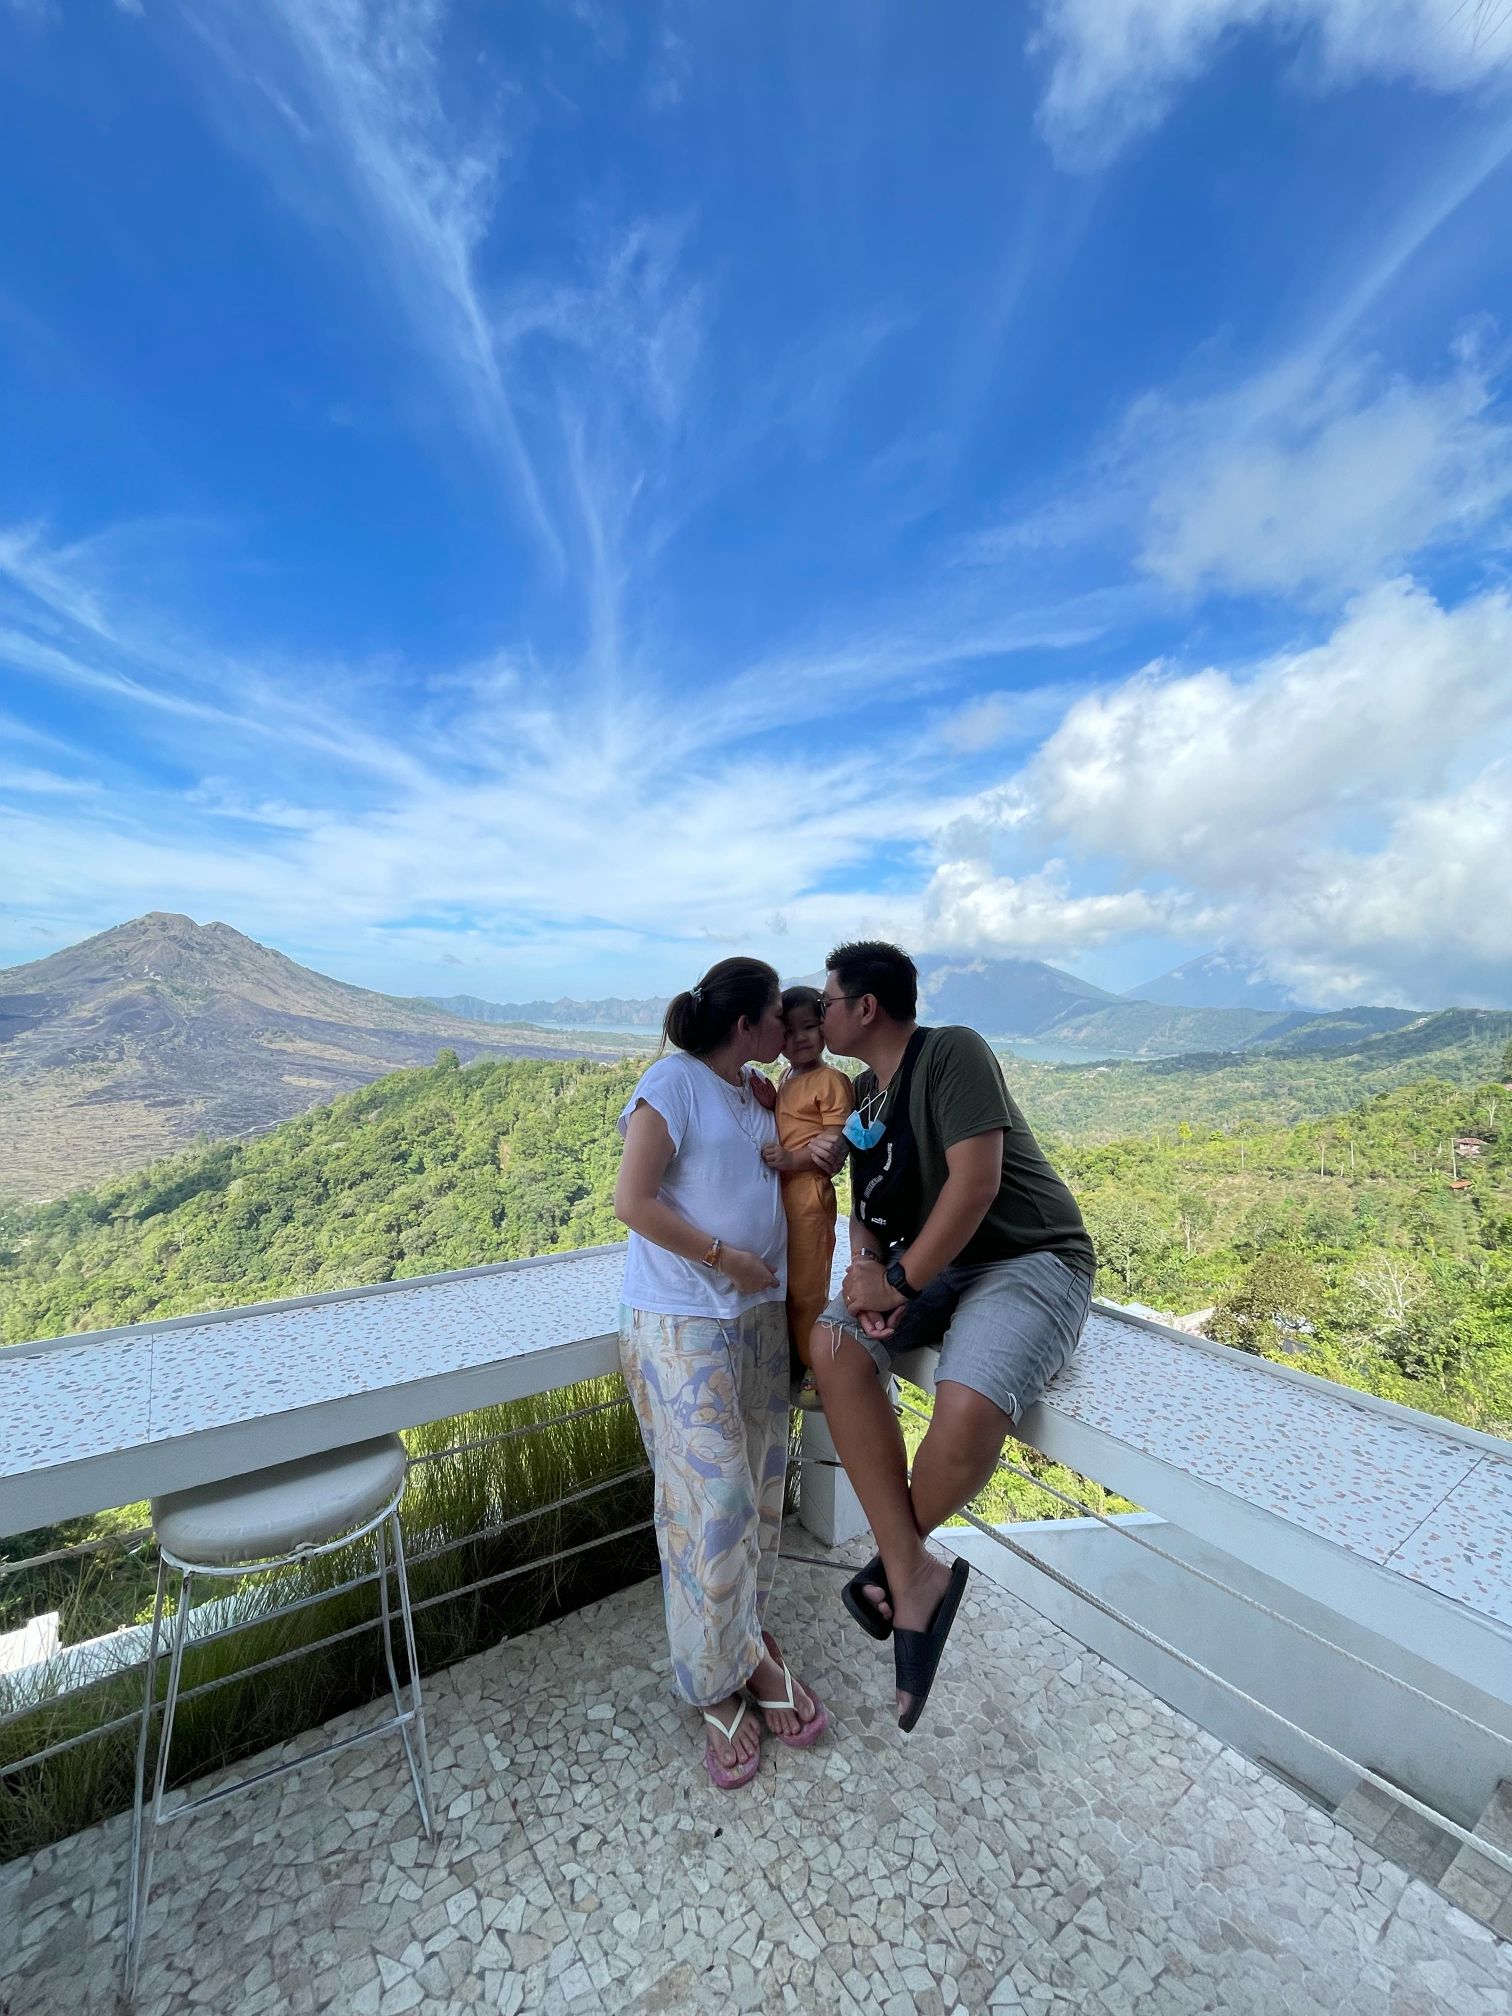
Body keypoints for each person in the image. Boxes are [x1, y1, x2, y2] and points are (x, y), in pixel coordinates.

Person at [809, 940, 1095, 1733]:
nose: (820, 1014)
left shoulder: (952, 1053)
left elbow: (976, 1184)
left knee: (966, 1405)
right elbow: (869, 1210)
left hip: (1028, 1256)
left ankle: (898, 1571)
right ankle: (913, 1572)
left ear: (866, 1007)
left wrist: (899, 1284)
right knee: (833, 1347)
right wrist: (867, 1270)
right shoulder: (866, 1094)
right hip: (932, 1263)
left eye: (827, 1002)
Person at [613, 956, 828, 1790]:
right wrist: (723, 1258)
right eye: (778, 1017)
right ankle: (714, 1682)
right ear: (746, 1024)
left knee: (764, 1494)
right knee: (715, 1504)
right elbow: (633, 1201)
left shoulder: (754, 1092)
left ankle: (746, 1647)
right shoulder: (671, 1083)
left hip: (758, 1320)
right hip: (684, 1323)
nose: (790, 1029)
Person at [761, 985, 854, 1407]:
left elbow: (829, 1146)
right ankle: (796, 1358)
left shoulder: (830, 1080)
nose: (799, 1038)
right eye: (789, 1030)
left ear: (825, 1027)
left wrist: (790, 1158)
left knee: (807, 1288)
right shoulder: (788, 1078)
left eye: (810, 1027)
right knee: (785, 1286)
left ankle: (817, 1365)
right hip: (780, 1197)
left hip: (808, 1196)